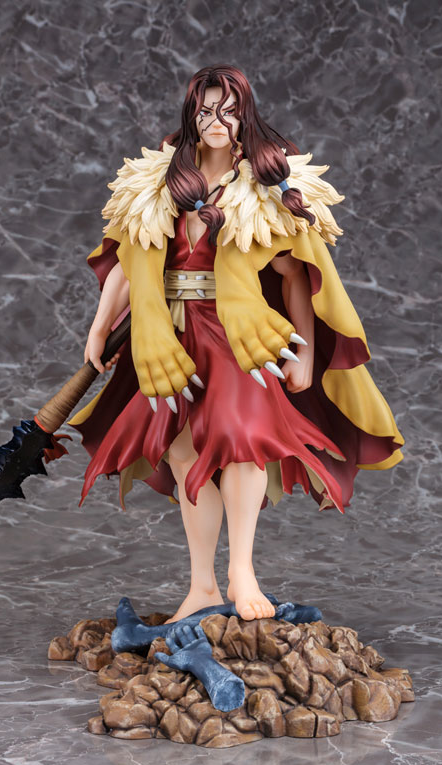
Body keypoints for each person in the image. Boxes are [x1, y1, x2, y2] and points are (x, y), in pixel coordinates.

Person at [69, 65, 404, 624]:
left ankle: (242, 572)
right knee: (182, 449)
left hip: (240, 337)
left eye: (227, 111)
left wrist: (307, 352)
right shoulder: (156, 182)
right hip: (169, 333)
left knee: (245, 443)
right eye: (205, 111)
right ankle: (202, 584)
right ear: (191, 116)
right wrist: (101, 326)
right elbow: (130, 259)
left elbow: (297, 274)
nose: (216, 121)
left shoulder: (266, 189)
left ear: (243, 116)